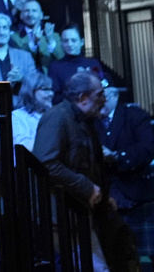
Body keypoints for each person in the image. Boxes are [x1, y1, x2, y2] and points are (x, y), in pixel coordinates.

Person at [33, 72, 140, 272]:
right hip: (63, 216)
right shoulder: (58, 118)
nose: (104, 99)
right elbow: (45, 162)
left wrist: (102, 196)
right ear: (83, 98)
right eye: (99, 94)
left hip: (80, 212)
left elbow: (89, 165)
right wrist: (87, 187)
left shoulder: (85, 121)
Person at [48, 24, 105, 104]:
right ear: (61, 43)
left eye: (73, 40)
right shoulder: (55, 67)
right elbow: (55, 98)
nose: (70, 44)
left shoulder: (93, 63)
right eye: (66, 41)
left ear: (82, 42)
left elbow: (103, 85)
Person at [9, 0, 63, 72]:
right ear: (21, 16)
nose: (30, 14)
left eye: (34, 11)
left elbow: (62, 59)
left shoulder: (54, 36)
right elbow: (18, 60)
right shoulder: (14, 37)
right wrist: (32, 43)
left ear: (41, 15)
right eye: (26, 11)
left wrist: (50, 41)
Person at [10, 73, 54, 151]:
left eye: (51, 89)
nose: (51, 94)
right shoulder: (18, 116)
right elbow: (24, 149)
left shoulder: (54, 114)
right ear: (31, 91)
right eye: (45, 89)